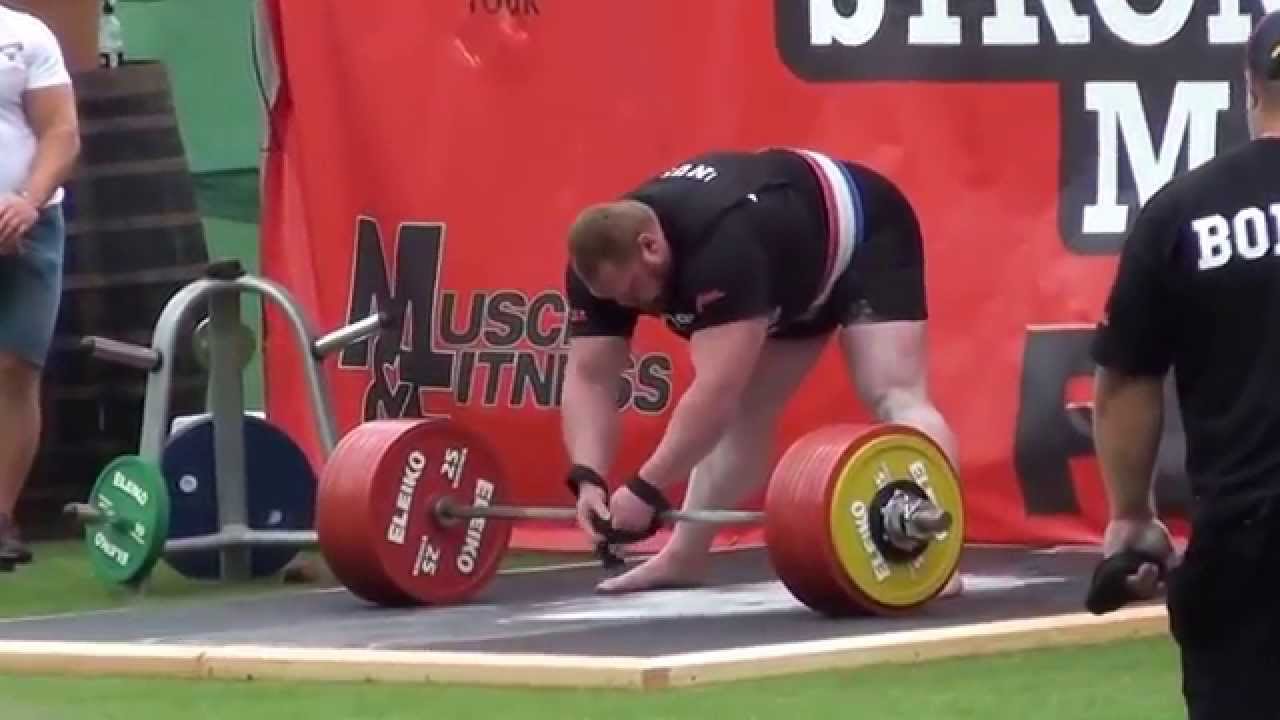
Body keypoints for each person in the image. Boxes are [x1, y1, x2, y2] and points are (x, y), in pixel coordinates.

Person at [559, 145, 959, 595]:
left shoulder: (719, 247)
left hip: (863, 229)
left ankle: (939, 557)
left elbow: (714, 394)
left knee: (894, 394)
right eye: (614, 299)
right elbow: (591, 378)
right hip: (786, 263)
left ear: (650, 247)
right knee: (746, 416)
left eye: (633, 291)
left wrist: (645, 489)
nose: (629, 306)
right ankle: (685, 556)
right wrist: (588, 478)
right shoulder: (601, 264)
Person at [1089, 10, 1280, 717]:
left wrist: (1131, 516)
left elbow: (1127, 379)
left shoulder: (1183, 212)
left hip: (1248, 544)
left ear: (1247, 85)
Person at [0, 3, 80, 569]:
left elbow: (61, 130)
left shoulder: (25, 35)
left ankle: (0, 518)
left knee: (15, 368)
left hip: (30, 226)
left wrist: (26, 203)